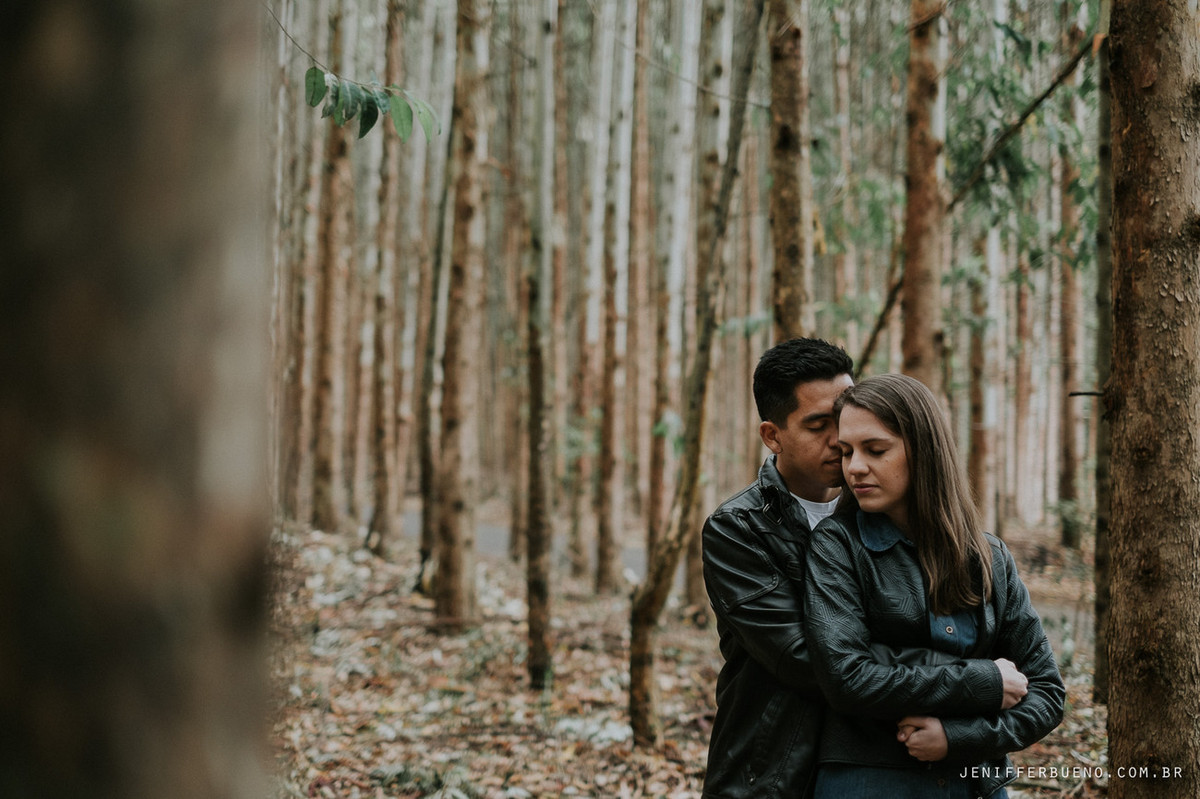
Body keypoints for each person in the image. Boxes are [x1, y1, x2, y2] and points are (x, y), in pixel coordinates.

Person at [701, 340, 1030, 799]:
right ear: (773, 436)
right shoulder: (738, 529)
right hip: (778, 768)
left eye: (844, 420)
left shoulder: (884, 510)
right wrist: (975, 677)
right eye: (819, 426)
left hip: (888, 758)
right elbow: (812, 661)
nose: (840, 441)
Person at [803, 373, 1065, 799]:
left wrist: (957, 737)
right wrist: (984, 681)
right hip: (870, 781)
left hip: (976, 784)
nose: (854, 467)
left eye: (876, 449)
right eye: (847, 451)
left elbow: (1048, 692)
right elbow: (846, 678)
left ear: (924, 451)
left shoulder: (990, 557)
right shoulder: (837, 546)